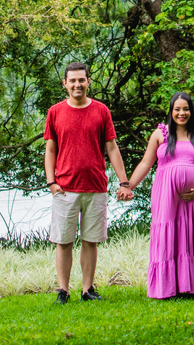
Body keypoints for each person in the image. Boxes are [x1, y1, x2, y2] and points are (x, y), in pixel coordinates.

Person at [44, 61, 132, 305]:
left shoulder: (101, 111)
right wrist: (51, 182)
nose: (77, 84)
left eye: (81, 80)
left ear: (88, 82)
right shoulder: (55, 112)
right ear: (65, 84)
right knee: (63, 242)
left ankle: (87, 289)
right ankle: (63, 291)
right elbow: (50, 150)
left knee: (90, 241)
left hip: (95, 186)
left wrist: (124, 182)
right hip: (64, 188)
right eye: (72, 80)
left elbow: (112, 148)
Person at [120, 91, 194, 299]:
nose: (182, 113)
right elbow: (146, 163)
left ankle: (193, 286)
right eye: (177, 109)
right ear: (171, 111)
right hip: (165, 195)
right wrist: (128, 186)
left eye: (186, 109)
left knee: (191, 236)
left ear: (192, 111)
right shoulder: (160, 134)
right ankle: (167, 287)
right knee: (167, 234)